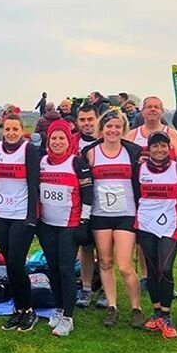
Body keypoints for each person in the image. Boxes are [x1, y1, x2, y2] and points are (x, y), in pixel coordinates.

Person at [83, 110, 144, 328]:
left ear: (123, 129)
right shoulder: (91, 153)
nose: (113, 130)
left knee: (125, 266)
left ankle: (136, 307)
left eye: (118, 127)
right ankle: (112, 306)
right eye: (109, 126)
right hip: (100, 215)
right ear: (102, 129)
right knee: (106, 262)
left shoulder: (133, 152)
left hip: (125, 215)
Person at [0, 114, 40, 332]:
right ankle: (18, 309)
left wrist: (31, 217)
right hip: (1, 214)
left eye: (15, 129)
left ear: (21, 130)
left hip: (21, 215)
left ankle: (28, 310)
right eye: (7, 129)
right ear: (2, 129)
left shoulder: (28, 150)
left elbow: (33, 184)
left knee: (17, 263)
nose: (11, 133)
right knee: (9, 265)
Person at [37, 120, 93, 337]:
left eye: (62, 138)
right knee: (52, 269)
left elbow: (88, 195)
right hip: (47, 225)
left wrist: (84, 223)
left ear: (68, 140)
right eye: (54, 138)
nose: (58, 142)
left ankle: (68, 317)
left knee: (66, 270)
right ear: (48, 141)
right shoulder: (42, 162)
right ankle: (59, 309)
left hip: (69, 226)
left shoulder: (77, 163)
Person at [135, 132, 177, 339]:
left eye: (163, 146)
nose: (159, 150)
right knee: (153, 270)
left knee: (165, 268)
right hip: (145, 225)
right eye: (155, 146)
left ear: (169, 147)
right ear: (149, 148)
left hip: (169, 227)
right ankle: (156, 312)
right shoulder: (139, 169)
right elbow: (134, 194)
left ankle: (166, 314)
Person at [72, 104, 102, 309]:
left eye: (90, 119)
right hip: (80, 202)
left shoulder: (108, 138)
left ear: (97, 119)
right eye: (82, 120)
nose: (86, 124)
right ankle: (87, 288)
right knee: (86, 247)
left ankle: (105, 289)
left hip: (104, 203)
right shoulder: (71, 141)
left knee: (106, 249)